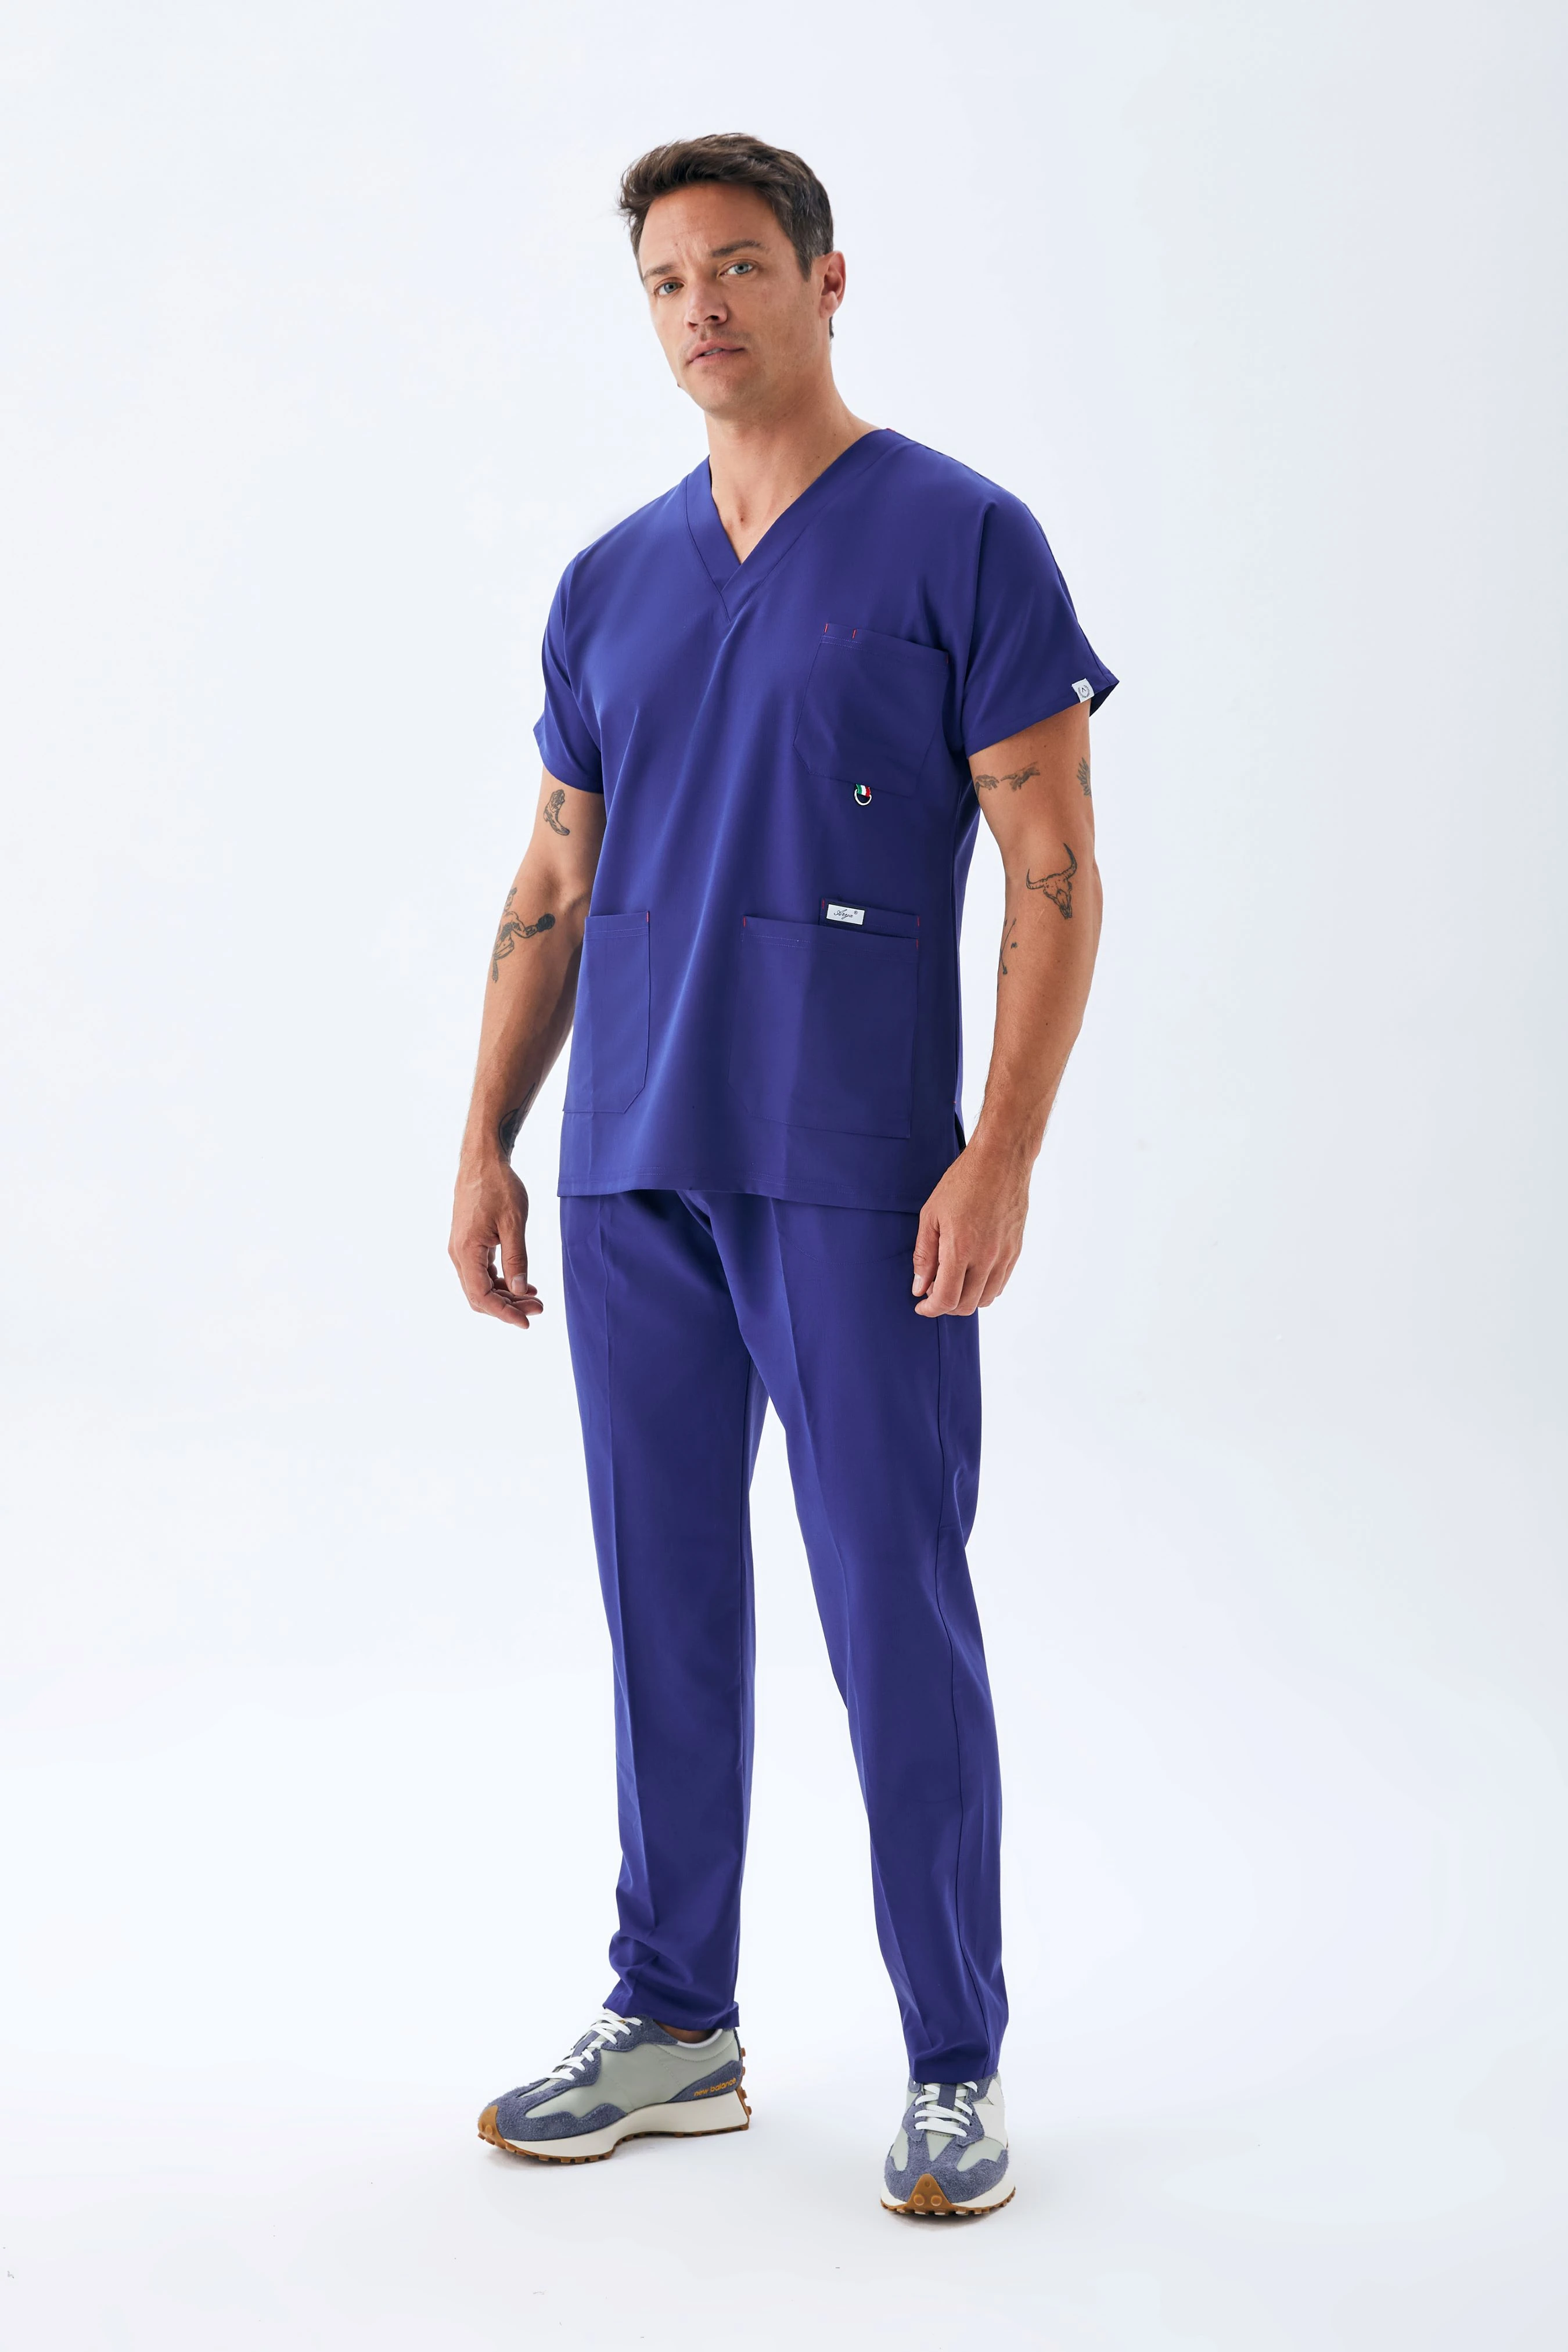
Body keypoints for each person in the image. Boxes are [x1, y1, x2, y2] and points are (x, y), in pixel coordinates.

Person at [449, 132, 1116, 2220]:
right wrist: (484, 1135)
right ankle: (675, 2021)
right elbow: (557, 871)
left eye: (737, 266)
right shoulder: (610, 581)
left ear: (827, 281)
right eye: (666, 282)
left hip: (851, 1171)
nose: (701, 308)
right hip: (630, 1160)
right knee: (660, 1599)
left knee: (890, 1604)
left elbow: (1056, 864)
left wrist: (999, 1151)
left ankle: (952, 2057)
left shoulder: (957, 538)